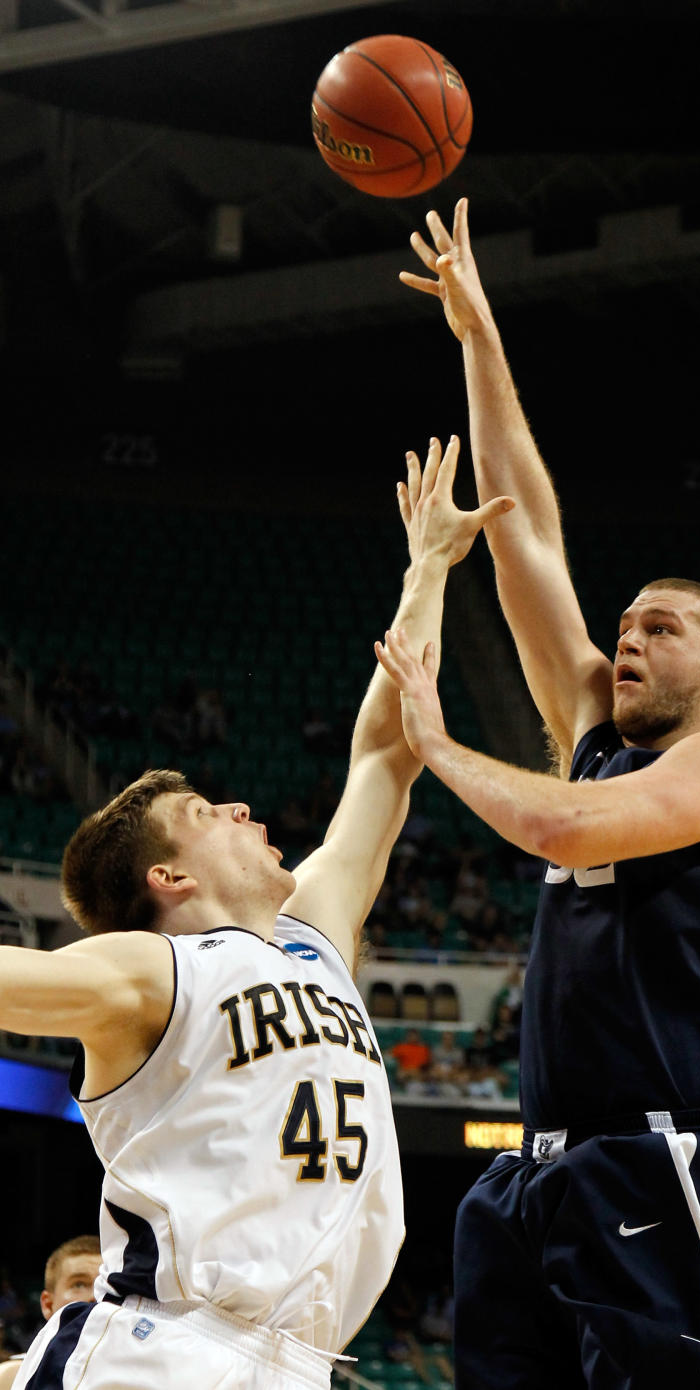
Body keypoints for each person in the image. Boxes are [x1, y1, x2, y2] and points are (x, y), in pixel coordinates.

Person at [389, 198, 700, 1390]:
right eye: (621, 625)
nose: (625, 639)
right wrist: (478, 337)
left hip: (660, 1159)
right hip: (531, 1168)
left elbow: (561, 828)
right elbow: (527, 537)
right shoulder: (594, 738)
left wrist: (437, 739)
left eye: (658, 628)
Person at [0, 438, 511, 1390]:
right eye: (205, 813)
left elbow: (384, 757)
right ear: (169, 880)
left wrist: (429, 567)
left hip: (298, 1362)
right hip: (163, 1351)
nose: (239, 808)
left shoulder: (311, 939)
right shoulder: (151, 972)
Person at [0, 1237, 101, 1390]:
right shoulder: (11, 1377)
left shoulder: (144, 1373)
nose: (95, 1296)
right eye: (79, 1284)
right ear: (48, 1304)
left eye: (105, 1286)